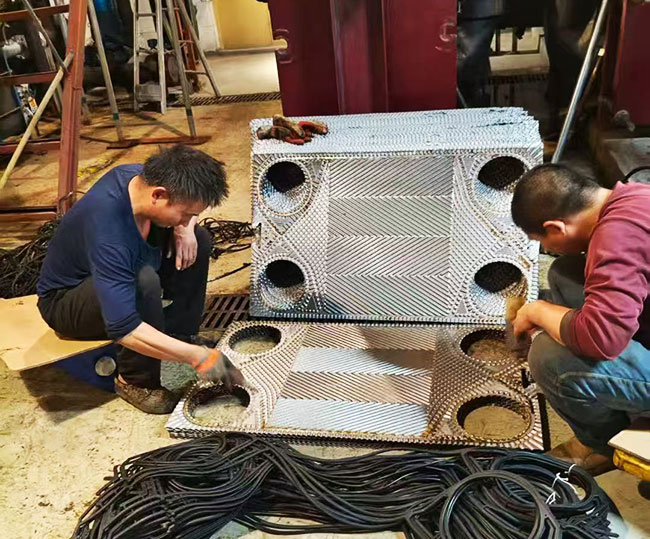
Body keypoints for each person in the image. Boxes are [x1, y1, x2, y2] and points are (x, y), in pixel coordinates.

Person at [37, 145, 243, 414]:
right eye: (186, 214)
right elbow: (124, 328)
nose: (188, 219)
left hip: (113, 271)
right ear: (159, 195)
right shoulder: (110, 233)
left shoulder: (140, 179)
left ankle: (178, 334)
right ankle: (134, 381)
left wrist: (185, 229)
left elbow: (181, 216)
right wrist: (199, 357)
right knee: (142, 280)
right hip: (67, 302)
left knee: (199, 239)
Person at [509, 163, 650, 475]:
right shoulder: (634, 198)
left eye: (541, 240)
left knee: (549, 360)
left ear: (556, 227)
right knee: (565, 273)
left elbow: (603, 340)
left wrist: (537, 311)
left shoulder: (616, 239)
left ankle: (604, 444)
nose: (545, 248)